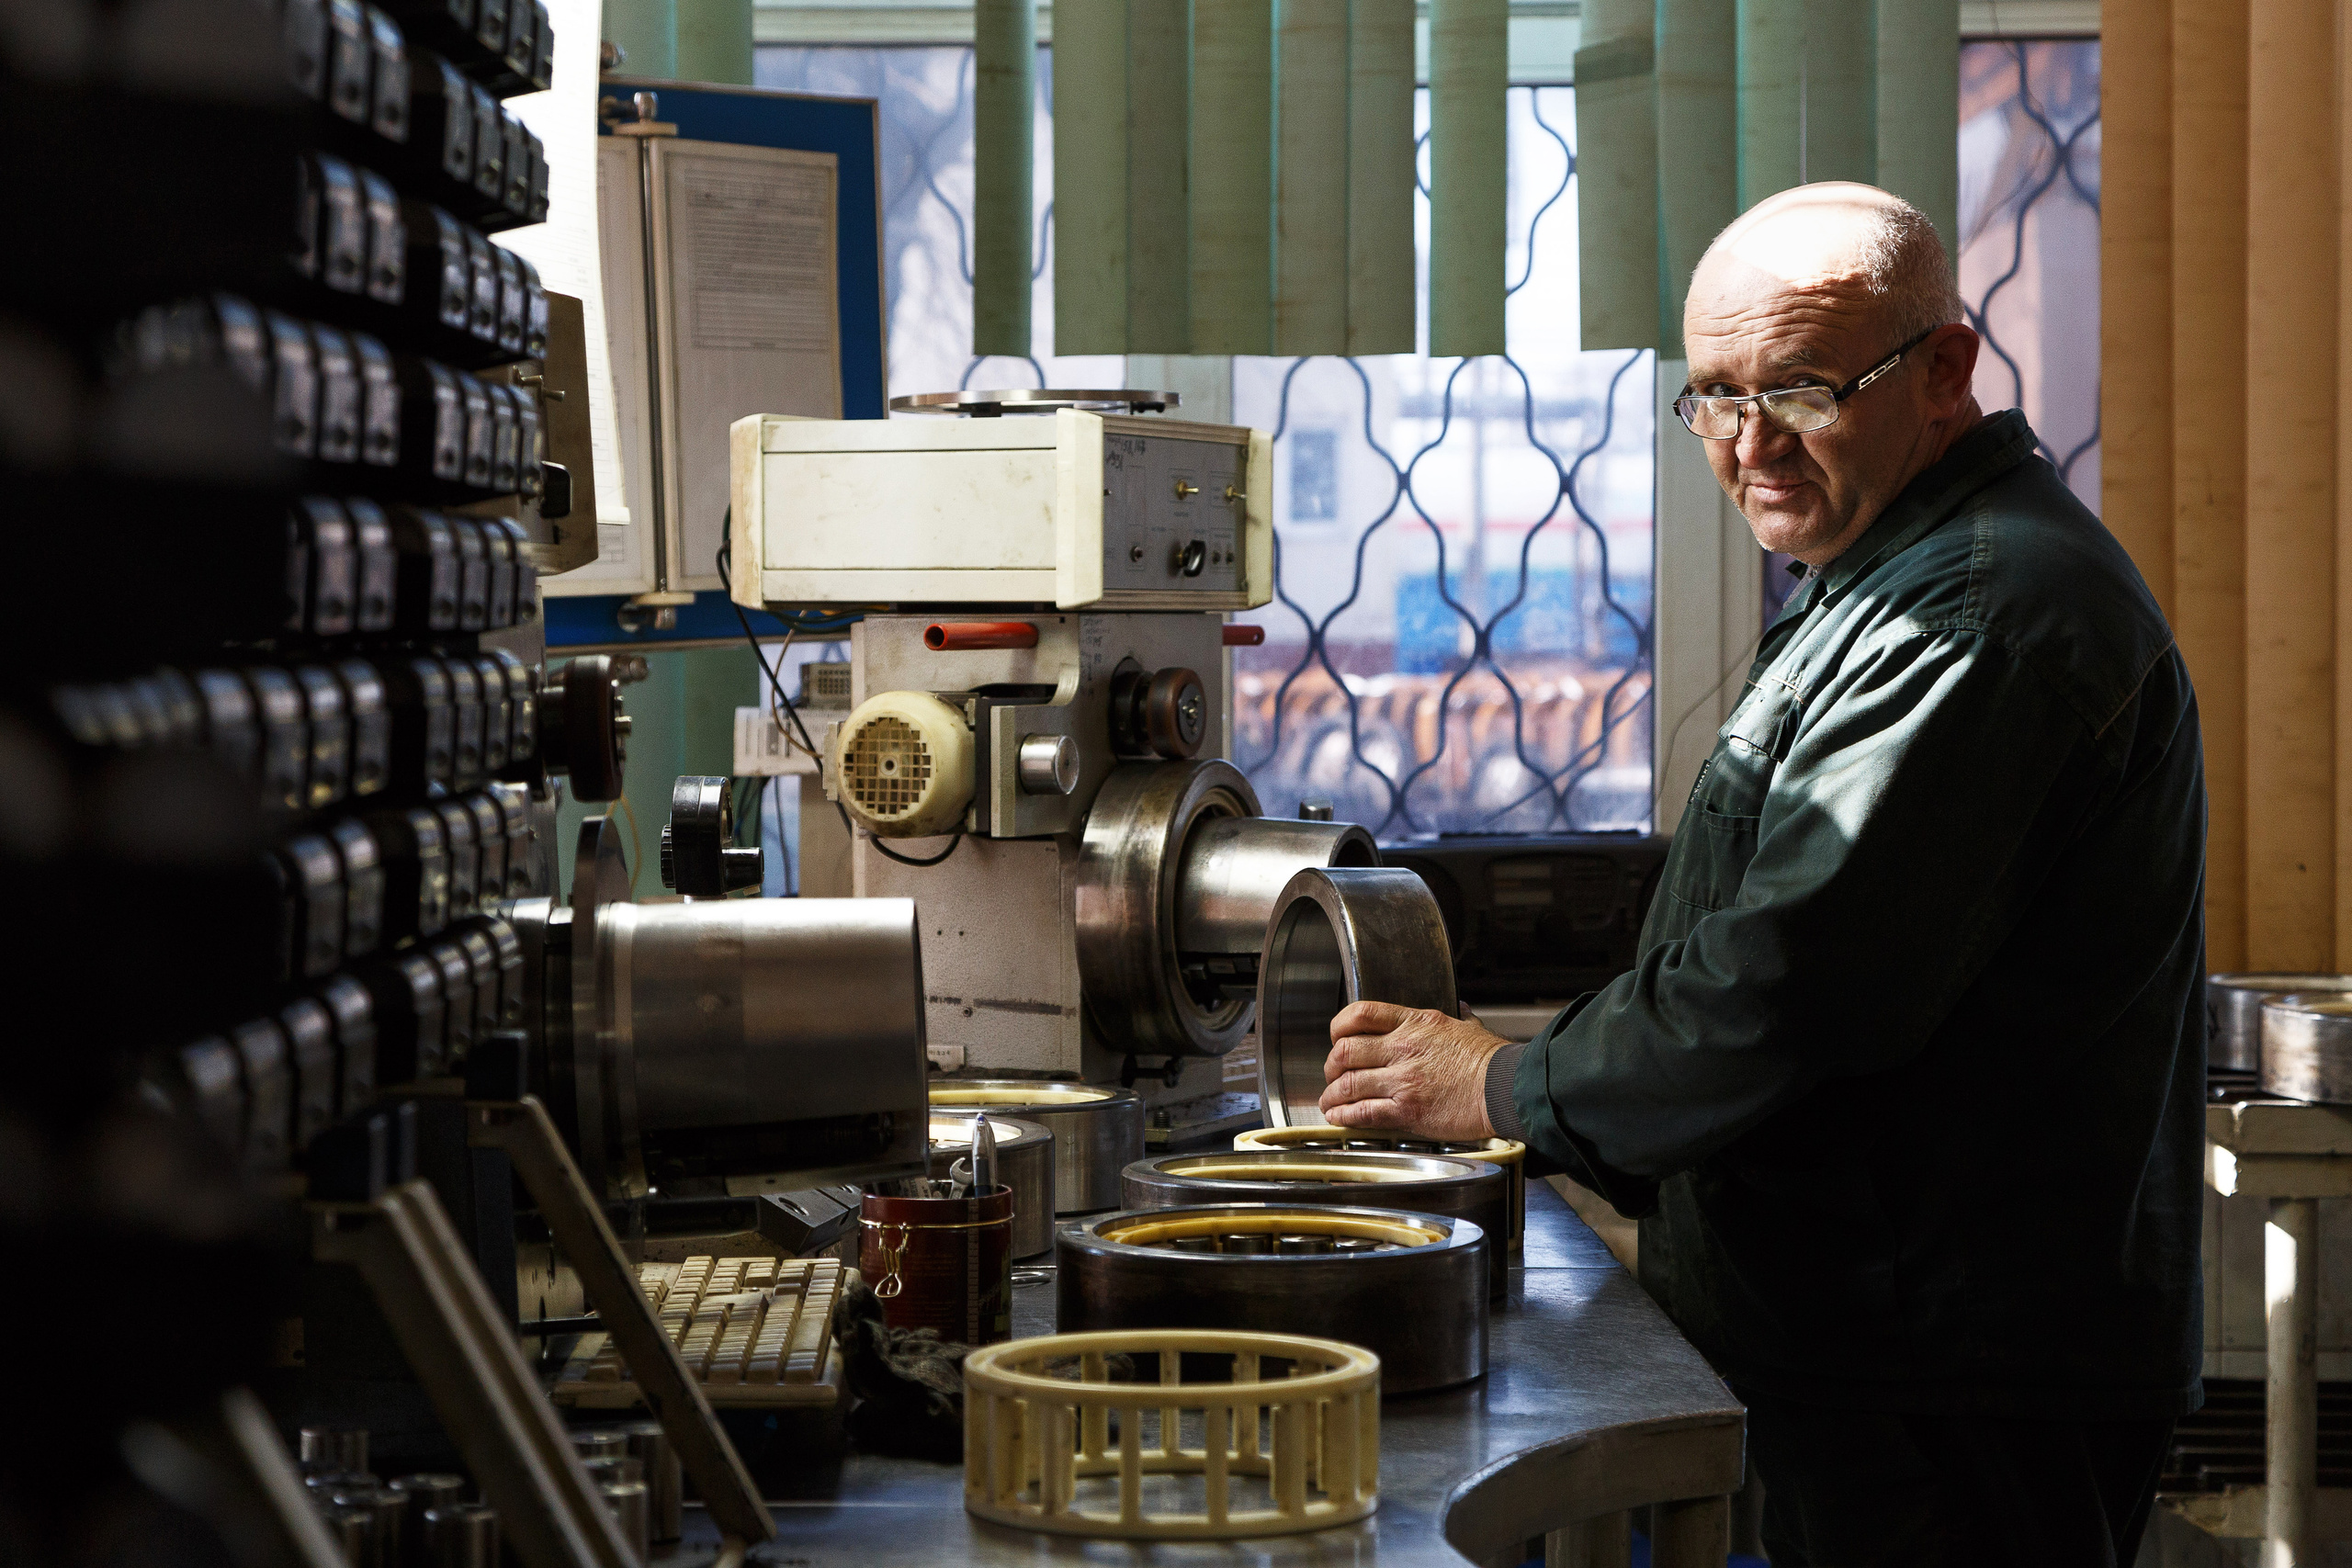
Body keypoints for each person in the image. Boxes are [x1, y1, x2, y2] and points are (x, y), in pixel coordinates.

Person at [1317, 183, 2205, 1567]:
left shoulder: (1977, 619)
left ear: (1947, 371)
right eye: (1714, 397)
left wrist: (1498, 1084)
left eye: (1800, 390)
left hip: (1944, 1375)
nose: (1747, 446)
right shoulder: (1883, 569)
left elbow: (1788, 987)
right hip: (1879, 1341)